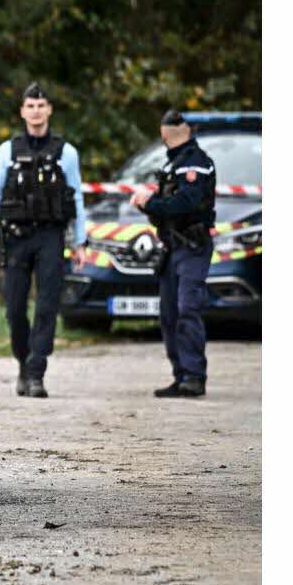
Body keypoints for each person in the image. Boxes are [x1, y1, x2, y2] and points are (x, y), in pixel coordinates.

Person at [0, 82, 87, 398]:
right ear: (22, 111)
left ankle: (37, 370)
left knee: (46, 304)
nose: (36, 111)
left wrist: (80, 241)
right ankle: (23, 363)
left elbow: (76, 197)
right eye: (30, 106)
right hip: (15, 237)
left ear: (49, 110)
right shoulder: (8, 151)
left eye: (41, 106)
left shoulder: (66, 153)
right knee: (14, 308)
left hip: (50, 236)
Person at [130, 110, 216, 398]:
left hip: (192, 247)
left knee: (187, 309)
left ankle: (194, 376)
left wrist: (151, 202)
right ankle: (181, 376)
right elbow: (166, 210)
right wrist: (146, 205)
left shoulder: (196, 162)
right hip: (172, 248)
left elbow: (186, 203)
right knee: (169, 314)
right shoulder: (171, 165)